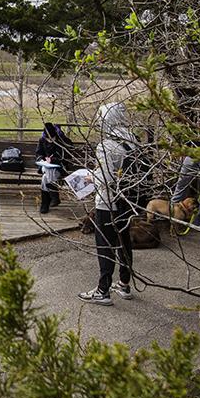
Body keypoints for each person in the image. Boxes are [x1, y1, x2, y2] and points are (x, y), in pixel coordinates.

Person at [78, 102, 137, 306]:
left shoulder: (105, 146)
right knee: (124, 241)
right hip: (127, 202)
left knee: (105, 245)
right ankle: (124, 283)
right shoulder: (133, 140)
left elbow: (105, 178)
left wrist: (90, 178)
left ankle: (103, 290)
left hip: (107, 202)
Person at [169, 116, 200, 227]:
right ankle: (172, 216)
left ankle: (197, 222)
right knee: (182, 186)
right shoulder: (199, 121)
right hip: (193, 155)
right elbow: (190, 137)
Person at [35, 122, 72, 214]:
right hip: (45, 166)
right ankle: (54, 195)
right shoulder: (42, 140)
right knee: (48, 170)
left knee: (44, 178)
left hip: (59, 167)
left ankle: (45, 204)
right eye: (48, 139)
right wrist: (43, 159)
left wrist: (54, 160)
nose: (50, 140)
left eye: (52, 139)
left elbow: (66, 156)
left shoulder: (62, 141)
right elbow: (38, 153)